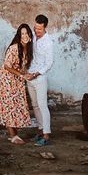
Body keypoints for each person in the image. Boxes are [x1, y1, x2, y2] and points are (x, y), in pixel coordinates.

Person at [0, 23, 34, 144]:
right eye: (22, 34)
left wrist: (28, 75)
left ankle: (14, 134)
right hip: (7, 79)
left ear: (30, 35)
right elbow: (7, 66)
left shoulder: (28, 49)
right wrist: (21, 75)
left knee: (17, 105)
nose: (25, 36)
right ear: (19, 36)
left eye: (26, 33)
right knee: (8, 105)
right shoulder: (14, 47)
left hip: (17, 79)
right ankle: (13, 135)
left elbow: (24, 67)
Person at [26, 14, 53, 146]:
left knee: (42, 105)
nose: (37, 31)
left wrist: (36, 74)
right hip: (29, 76)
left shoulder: (48, 43)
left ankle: (47, 135)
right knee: (35, 105)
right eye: (35, 28)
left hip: (40, 78)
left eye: (39, 29)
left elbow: (49, 64)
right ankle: (40, 130)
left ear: (45, 27)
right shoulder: (32, 35)